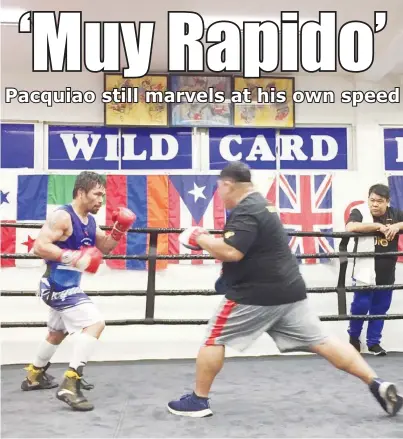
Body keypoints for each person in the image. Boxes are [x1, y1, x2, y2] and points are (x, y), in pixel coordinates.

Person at [167, 161, 403, 418]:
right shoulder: (264, 205)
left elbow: (232, 252)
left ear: (228, 184)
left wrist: (199, 237)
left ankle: (198, 401)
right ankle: (377, 384)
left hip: (256, 294)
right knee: (323, 341)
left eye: (220, 188)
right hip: (290, 291)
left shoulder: (247, 210)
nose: (220, 194)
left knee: (214, 338)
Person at [20, 171, 136, 411]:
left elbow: (106, 248)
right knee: (95, 323)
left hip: (67, 286)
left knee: (56, 332)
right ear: (81, 192)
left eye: (103, 195)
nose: (101, 200)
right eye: (96, 194)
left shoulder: (89, 220)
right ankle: (70, 383)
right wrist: (72, 257)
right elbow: (39, 247)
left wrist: (119, 229)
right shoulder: (63, 216)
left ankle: (34, 376)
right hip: (55, 285)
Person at [346, 184, 403, 355]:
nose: (375, 205)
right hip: (364, 270)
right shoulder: (360, 212)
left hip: (387, 271)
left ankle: (373, 343)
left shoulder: (394, 214)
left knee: (380, 308)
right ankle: (353, 338)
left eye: (379, 201)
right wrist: (377, 227)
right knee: (360, 306)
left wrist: (397, 226)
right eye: (372, 200)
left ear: (387, 202)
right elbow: (351, 227)